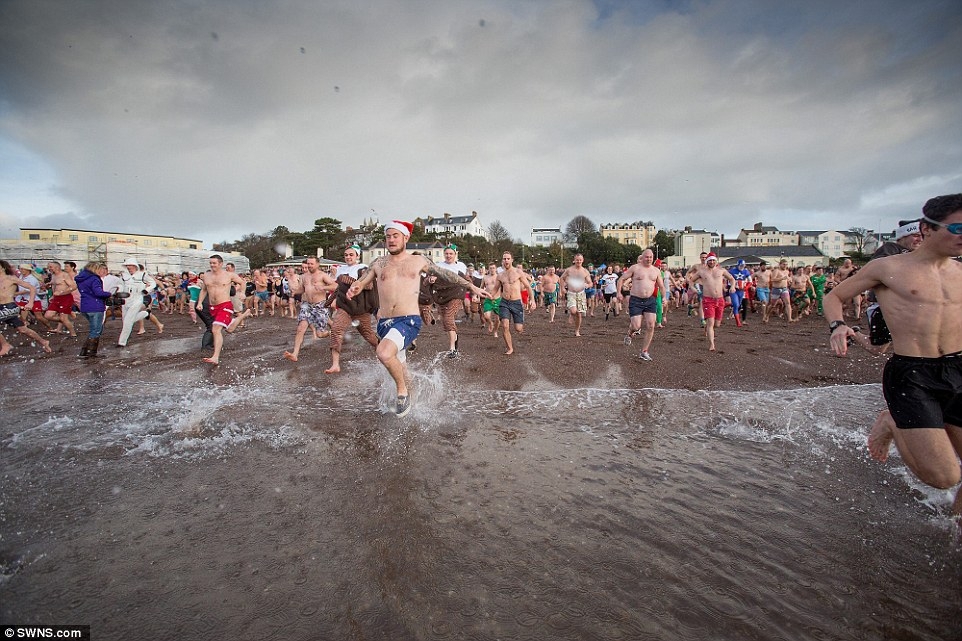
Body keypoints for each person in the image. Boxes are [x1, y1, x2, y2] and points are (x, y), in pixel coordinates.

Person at [826, 193, 962, 516]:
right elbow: (835, 296)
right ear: (927, 229)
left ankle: (956, 529)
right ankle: (891, 423)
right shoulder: (887, 268)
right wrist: (837, 326)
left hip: (958, 369)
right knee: (945, 476)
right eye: (956, 228)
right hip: (914, 375)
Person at [346, 220, 487, 417]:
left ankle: (402, 394)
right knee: (401, 366)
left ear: (406, 237)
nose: (391, 240)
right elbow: (363, 281)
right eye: (388, 236)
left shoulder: (418, 261)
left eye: (396, 236)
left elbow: (446, 274)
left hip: (408, 320)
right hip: (384, 323)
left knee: (384, 353)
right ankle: (413, 398)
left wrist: (472, 287)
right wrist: (356, 287)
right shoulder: (379, 263)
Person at [325, 245, 379, 374]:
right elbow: (339, 288)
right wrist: (331, 298)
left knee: (369, 336)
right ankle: (335, 364)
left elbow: (369, 286)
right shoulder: (340, 269)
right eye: (346, 255)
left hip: (361, 308)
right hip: (345, 307)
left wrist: (348, 280)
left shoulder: (363, 268)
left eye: (351, 255)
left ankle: (383, 353)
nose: (348, 257)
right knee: (336, 330)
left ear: (357, 256)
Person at [195, 254, 253, 364]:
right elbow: (203, 290)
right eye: (210, 263)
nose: (212, 265)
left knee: (215, 329)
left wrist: (242, 293)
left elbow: (242, 282)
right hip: (213, 307)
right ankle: (244, 315)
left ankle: (215, 357)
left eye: (214, 263)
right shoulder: (207, 275)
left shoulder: (229, 275)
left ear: (220, 264)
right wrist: (200, 303)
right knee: (229, 329)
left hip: (225, 305)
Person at [281, 257, 337, 362]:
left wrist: (324, 288)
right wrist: (295, 291)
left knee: (320, 334)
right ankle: (295, 353)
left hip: (319, 305)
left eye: (311, 264)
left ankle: (332, 332)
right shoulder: (304, 276)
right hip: (307, 305)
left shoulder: (322, 275)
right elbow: (302, 288)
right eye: (308, 263)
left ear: (317, 264)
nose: (309, 265)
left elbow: (335, 286)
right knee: (300, 328)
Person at [616, 250, 663, 361]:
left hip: (650, 300)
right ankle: (629, 333)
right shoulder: (635, 268)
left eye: (651, 257)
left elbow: (661, 285)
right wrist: (618, 292)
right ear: (642, 257)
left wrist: (665, 297)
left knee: (651, 325)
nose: (649, 259)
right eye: (646, 257)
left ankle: (644, 351)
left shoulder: (656, 270)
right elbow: (621, 279)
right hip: (636, 300)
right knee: (636, 326)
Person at [487, 251, 535, 355]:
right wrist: (489, 296)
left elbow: (527, 286)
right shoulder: (500, 275)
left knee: (518, 329)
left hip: (516, 303)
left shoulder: (518, 272)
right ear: (502, 261)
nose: (506, 260)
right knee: (505, 325)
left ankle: (520, 326)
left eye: (508, 258)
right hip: (504, 302)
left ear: (512, 260)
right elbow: (495, 289)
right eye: (504, 259)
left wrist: (533, 300)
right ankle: (510, 348)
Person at [0, 260, 52, 357]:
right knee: (22, 329)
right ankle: (44, 341)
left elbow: (32, 288)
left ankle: (5, 345)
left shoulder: (11, 278)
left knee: (22, 328)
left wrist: (31, 302)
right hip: (1, 307)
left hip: (9, 306)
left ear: (3, 268)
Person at [688, 252, 736, 352]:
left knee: (717, 324)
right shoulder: (702, 272)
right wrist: (693, 289)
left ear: (716, 261)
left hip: (720, 299)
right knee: (711, 322)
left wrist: (732, 286)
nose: (712, 262)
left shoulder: (721, 270)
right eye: (710, 260)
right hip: (708, 300)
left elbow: (731, 279)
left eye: (713, 260)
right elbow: (691, 281)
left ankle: (706, 327)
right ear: (707, 261)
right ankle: (712, 344)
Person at [75, 261, 118, 358]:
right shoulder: (94, 279)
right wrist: (109, 294)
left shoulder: (81, 278)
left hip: (85, 306)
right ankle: (91, 352)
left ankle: (84, 351)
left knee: (94, 329)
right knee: (96, 330)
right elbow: (98, 292)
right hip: (95, 306)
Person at [433, 244, 469, 356]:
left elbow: (466, 281)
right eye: (446, 253)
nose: (448, 256)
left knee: (448, 318)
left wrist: (471, 293)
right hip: (442, 296)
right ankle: (455, 338)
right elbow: (430, 277)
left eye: (451, 254)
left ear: (455, 254)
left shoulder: (461, 266)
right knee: (446, 322)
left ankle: (452, 349)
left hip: (456, 295)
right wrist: (432, 279)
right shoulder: (438, 265)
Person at [560, 254, 593, 337]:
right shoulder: (569, 270)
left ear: (582, 260)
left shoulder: (585, 271)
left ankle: (577, 330)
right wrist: (562, 288)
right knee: (574, 311)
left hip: (581, 294)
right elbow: (562, 278)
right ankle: (571, 313)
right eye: (577, 260)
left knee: (579, 314)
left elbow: (590, 283)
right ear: (574, 260)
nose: (578, 261)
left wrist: (588, 285)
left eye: (580, 260)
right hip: (571, 293)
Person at [43, 260, 77, 336]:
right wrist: (52, 294)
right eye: (48, 267)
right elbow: (55, 286)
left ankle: (73, 334)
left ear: (57, 267)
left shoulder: (64, 275)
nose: (49, 268)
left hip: (66, 298)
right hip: (56, 298)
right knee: (47, 316)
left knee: (63, 318)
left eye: (50, 267)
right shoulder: (53, 275)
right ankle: (66, 321)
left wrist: (61, 292)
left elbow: (74, 286)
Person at [727, 259, 752, 327]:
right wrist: (733, 286)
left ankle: (726, 304)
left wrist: (746, 287)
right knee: (736, 304)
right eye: (741, 265)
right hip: (734, 290)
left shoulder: (746, 272)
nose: (742, 267)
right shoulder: (732, 271)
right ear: (738, 265)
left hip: (742, 291)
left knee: (738, 305)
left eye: (743, 265)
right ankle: (738, 322)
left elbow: (750, 281)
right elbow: (728, 280)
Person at [481, 263, 502, 338]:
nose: (492, 269)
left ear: (496, 269)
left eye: (493, 268)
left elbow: (503, 288)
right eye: (491, 268)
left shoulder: (499, 277)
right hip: (488, 299)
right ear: (488, 269)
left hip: (497, 299)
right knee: (486, 316)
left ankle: (495, 331)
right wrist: (477, 296)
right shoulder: (485, 277)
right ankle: (490, 323)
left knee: (498, 319)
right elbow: (481, 288)